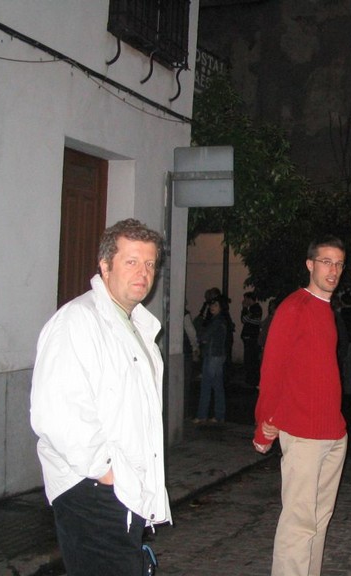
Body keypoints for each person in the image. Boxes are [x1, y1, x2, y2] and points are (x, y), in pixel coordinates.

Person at [30, 219, 170, 576]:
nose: (143, 273)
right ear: (105, 265)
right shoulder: (78, 321)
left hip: (124, 489)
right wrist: (107, 472)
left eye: (150, 263)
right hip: (93, 490)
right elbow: (56, 413)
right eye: (131, 261)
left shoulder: (138, 327)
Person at [253, 236, 348, 576]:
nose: (333, 270)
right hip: (304, 433)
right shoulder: (294, 307)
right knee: (299, 523)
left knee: (319, 521)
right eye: (326, 262)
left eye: (339, 264)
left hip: (333, 432)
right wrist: (264, 424)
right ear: (310, 264)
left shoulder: (326, 310)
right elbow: (272, 370)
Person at [195, 295, 227, 424]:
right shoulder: (218, 320)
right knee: (217, 386)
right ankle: (219, 415)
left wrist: (202, 336)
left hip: (213, 355)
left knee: (206, 385)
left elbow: (203, 336)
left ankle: (202, 415)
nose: (212, 307)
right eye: (211, 305)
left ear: (221, 307)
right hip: (217, 355)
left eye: (216, 305)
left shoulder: (217, 321)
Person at [240, 292, 263, 388]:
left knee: (250, 359)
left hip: (251, 337)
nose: (244, 301)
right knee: (250, 359)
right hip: (250, 337)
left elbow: (244, 319)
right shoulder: (254, 309)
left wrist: (244, 308)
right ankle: (251, 380)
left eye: (246, 299)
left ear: (250, 299)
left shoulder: (255, 309)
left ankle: (252, 381)